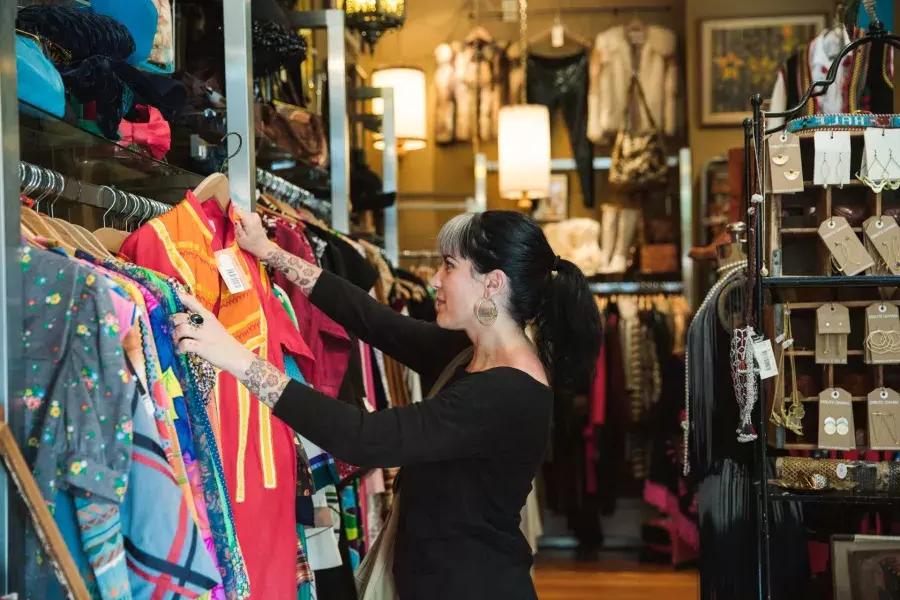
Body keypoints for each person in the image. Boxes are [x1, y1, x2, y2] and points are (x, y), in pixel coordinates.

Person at [171, 209, 602, 599]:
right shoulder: (470, 352)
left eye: (449, 267)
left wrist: (233, 357)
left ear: (493, 283)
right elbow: (375, 321)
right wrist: (271, 253)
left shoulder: (507, 392)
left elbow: (364, 438)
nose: (434, 280)